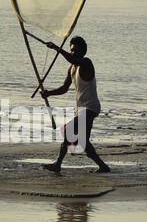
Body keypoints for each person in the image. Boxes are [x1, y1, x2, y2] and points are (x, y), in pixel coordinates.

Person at [39, 34, 110, 174]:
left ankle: (58, 164)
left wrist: (57, 49)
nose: (73, 52)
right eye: (71, 50)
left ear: (83, 52)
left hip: (90, 107)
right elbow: (64, 88)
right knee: (84, 142)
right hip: (81, 109)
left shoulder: (86, 63)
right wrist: (48, 93)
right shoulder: (72, 68)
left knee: (67, 130)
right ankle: (103, 167)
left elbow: (72, 59)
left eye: (76, 50)